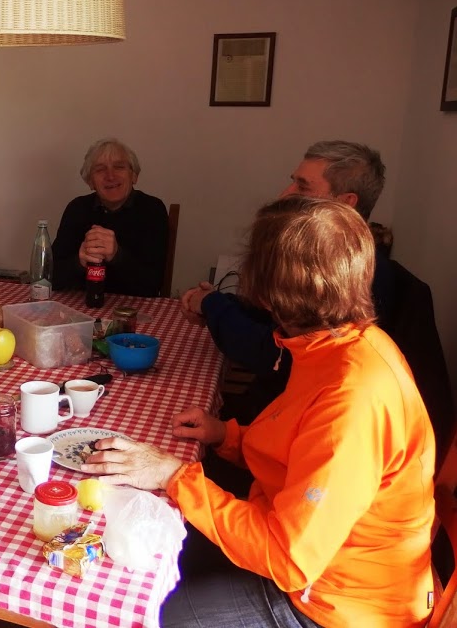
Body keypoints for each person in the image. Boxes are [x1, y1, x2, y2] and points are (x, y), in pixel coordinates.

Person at [83, 196, 435, 628]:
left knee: (134, 612)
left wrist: (174, 475)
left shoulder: (352, 395)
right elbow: (299, 446)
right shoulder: (338, 344)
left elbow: (289, 559)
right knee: (145, 544)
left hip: (332, 604)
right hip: (305, 551)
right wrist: (227, 436)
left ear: (268, 292)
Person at [180, 140, 395, 424]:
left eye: (303, 186)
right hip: (266, 420)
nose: (285, 194)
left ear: (345, 203)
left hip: (282, 421)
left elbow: (272, 353)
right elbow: (275, 320)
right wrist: (218, 303)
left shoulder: (362, 279)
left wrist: (213, 305)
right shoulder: (339, 262)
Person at [52, 138, 168, 297]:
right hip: (81, 306)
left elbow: (152, 285)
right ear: (90, 182)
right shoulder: (77, 209)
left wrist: (117, 255)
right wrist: (79, 262)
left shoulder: (152, 209)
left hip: (133, 308)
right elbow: (50, 276)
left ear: (134, 175)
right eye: (100, 169)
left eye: (119, 167)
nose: (110, 176)